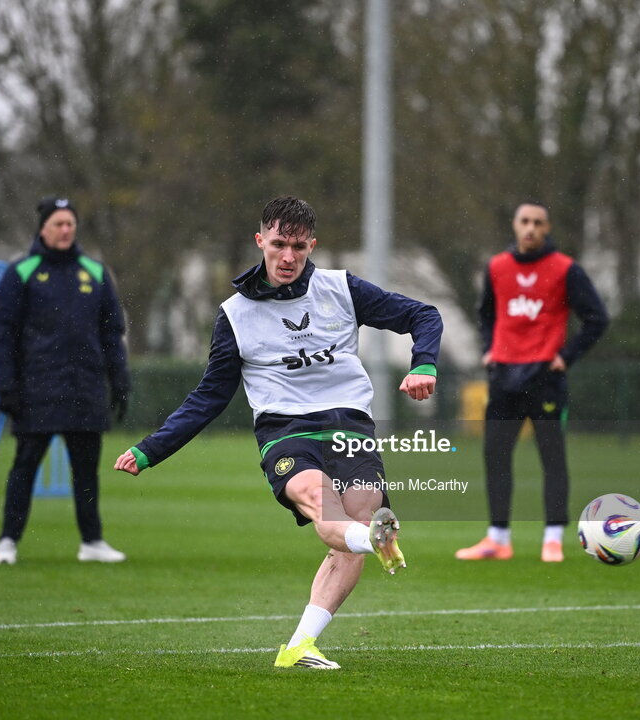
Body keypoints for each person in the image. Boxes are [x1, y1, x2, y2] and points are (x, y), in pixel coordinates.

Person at [113, 195, 442, 669]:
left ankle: (299, 646)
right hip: (286, 430)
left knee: (355, 520)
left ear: (313, 246)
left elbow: (423, 315)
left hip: (350, 424)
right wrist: (150, 450)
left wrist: (424, 363)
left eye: (299, 248)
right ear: (260, 241)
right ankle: (376, 539)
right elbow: (209, 396)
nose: (288, 258)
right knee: (323, 503)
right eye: (279, 244)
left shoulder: (340, 288)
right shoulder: (235, 314)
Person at [456, 201, 607, 563]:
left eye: (538, 222)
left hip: (545, 378)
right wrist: (488, 349)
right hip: (504, 376)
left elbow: (597, 318)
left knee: (552, 458)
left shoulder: (566, 269)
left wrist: (565, 357)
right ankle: (498, 538)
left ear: (547, 227)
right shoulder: (497, 267)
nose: (530, 228)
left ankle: (552, 538)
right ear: (515, 224)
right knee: (495, 456)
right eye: (525, 221)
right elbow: (486, 314)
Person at [0, 197, 131, 565]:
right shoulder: (22, 272)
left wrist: (120, 382)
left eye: (71, 223)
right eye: (59, 223)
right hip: (37, 390)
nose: (66, 229)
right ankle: (7, 541)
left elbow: (112, 333)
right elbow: (2, 334)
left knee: (86, 471)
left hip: (85, 389)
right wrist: (7, 388)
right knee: (25, 467)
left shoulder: (95, 272)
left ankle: (92, 541)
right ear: (43, 229)